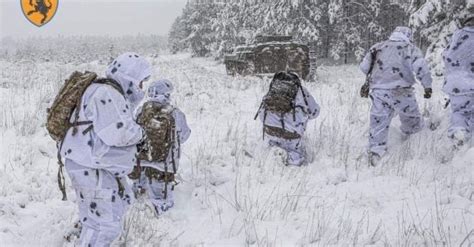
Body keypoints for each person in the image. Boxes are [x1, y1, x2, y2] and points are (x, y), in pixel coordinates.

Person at [61, 52, 151, 246]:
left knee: (120, 203)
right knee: (105, 226)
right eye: (140, 82)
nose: (141, 88)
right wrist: (143, 133)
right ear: (129, 77)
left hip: (94, 165)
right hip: (91, 167)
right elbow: (118, 133)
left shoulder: (103, 90)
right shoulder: (107, 93)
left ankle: (82, 237)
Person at [359, 26, 433, 165]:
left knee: (378, 122)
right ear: (408, 36)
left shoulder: (377, 47)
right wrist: (427, 86)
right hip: (402, 92)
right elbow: (422, 68)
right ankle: (412, 147)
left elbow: (364, 67)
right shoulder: (410, 48)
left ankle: (375, 153)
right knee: (412, 121)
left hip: (379, 92)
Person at [132, 79, 191, 216]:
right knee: (161, 199)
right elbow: (185, 135)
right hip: (164, 164)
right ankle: (161, 217)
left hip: (140, 161)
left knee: (138, 195)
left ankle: (137, 217)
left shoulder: (141, 111)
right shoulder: (175, 113)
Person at [256, 71, 319, 166]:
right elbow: (315, 112)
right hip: (291, 135)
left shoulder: (273, 90)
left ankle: (274, 155)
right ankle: (293, 161)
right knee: (295, 158)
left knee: (272, 147)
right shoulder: (302, 91)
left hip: (270, 130)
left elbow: (261, 114)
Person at [442, 11, 474, 148]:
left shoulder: (457, 35)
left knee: (460, 112)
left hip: (454, 82)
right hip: (470, 81)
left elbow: (445, 55)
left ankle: (459, 135)